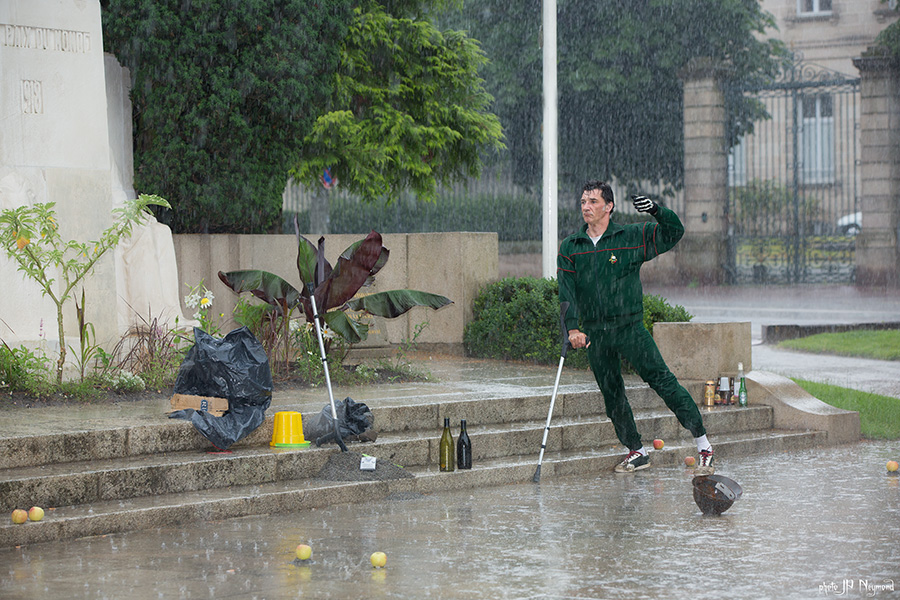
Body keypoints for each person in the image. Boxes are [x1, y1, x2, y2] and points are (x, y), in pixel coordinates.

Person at [557, 180, 714, 475]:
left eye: (593, 201)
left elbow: (674, 232)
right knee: (612, 394)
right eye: (583, 202)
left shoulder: (631, 236)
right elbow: (566, 292)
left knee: (663, 382)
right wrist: (573, 329)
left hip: (629, 328)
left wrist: (657, 211)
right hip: (595, 333)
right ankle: (636, 451)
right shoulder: (571, 246)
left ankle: (704, 445)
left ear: (609, 206)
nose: (586, 207)